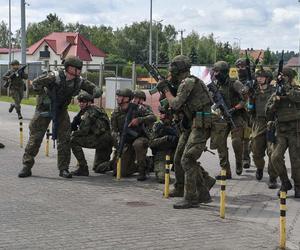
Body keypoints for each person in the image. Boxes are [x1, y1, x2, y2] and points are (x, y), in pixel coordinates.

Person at [18, 56, 102, 179]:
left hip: (61, 110)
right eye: (76, 68)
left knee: (65, 139)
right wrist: (44, 97)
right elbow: (35, 83)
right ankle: (27, 166)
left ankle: (63, 169)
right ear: (69, 68)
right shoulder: (54, 76)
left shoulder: (78, 81)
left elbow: (93, 87)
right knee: (35, 138)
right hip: (44, 109)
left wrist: (97, 91)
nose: (78, 71)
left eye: (79, 69)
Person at [156, 55, 215, 209]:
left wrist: (166, 90)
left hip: (200, 124)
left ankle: (192, 197)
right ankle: (183, 188)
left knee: (187, 159)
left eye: (172, 67)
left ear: (178, 68)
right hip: (189, 124)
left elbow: (175, 104)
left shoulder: (189, 82)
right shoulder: (183, 83)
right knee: (177, 158)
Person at [266, 67, 300, 198]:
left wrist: (286, 87)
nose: (281, 79)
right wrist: (275, 102)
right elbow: (267, 113)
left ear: (289, 78)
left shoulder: (296, 91)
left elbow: (296, 98)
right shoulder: (276, 94)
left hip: (296, 131)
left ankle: (298, 185)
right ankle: (285, 182)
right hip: (281, 131)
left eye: (284, 77)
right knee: (275, 157)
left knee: (296, 161)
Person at [111, 88, 156, 181]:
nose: (117, 98)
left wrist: (139, 120)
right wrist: (118, 139)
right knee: (121, 172)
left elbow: (153, 117)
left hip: (140, 137)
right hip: (126, 139)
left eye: (120, 96)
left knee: (138, 144)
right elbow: (113, 130)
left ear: (127, 98)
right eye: (117, 96)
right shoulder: (116, 112)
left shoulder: (138, 108)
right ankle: (146, 163)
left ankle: (142, 170)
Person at [212, 61, 247, 177]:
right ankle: (225, 170)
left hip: (236, 116)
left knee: (236, 141)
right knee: (220, 143)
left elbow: (245, 99)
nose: (215, 74)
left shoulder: (235, 83)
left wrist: (235, 108)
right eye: (214, 72)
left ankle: (239, 162)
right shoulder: (215, 85)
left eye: (218, 72)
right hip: (223, 117)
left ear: (224, 72)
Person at [70, 91, 112, 176]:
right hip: (106, 140)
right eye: (80, 101)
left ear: (89, 102)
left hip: (101, 140)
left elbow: (83, 131)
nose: (81, 104)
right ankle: (117, 164)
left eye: (83, 102)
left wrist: (72, 134)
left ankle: (83, 168)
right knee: (98, 168)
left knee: (73, 140)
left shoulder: (89, 113)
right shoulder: (95, 109)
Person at [249, 67, 278, 188]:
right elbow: (250, 109)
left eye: (262, 76)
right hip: (258, 122)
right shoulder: (254, 91)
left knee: (272, 152)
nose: (259, 79)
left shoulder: (275, 91)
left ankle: (272, 177)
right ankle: (260, 167)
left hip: (272, 123)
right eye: (258, 76)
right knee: (255, 150)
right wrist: (249, 99)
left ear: (268, 78)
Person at [150, 105, 178, 183]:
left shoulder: (176, 126)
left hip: (174, 152)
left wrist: (175, 139)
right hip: (161, 153)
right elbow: (151, 143)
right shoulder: (157, 126)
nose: (160, 115)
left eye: (162, 113)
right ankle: (149, 162)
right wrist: (165, 138)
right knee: (163, 178)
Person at [235, 58, 252, 169]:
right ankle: (243, 158)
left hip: (250, 113)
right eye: (238, 67)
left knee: (247, 137)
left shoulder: (253, 79)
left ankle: (246, 157)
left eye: (243, 66)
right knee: (239, 138)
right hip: (238, 111)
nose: (240, 69)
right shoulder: (235, 81)